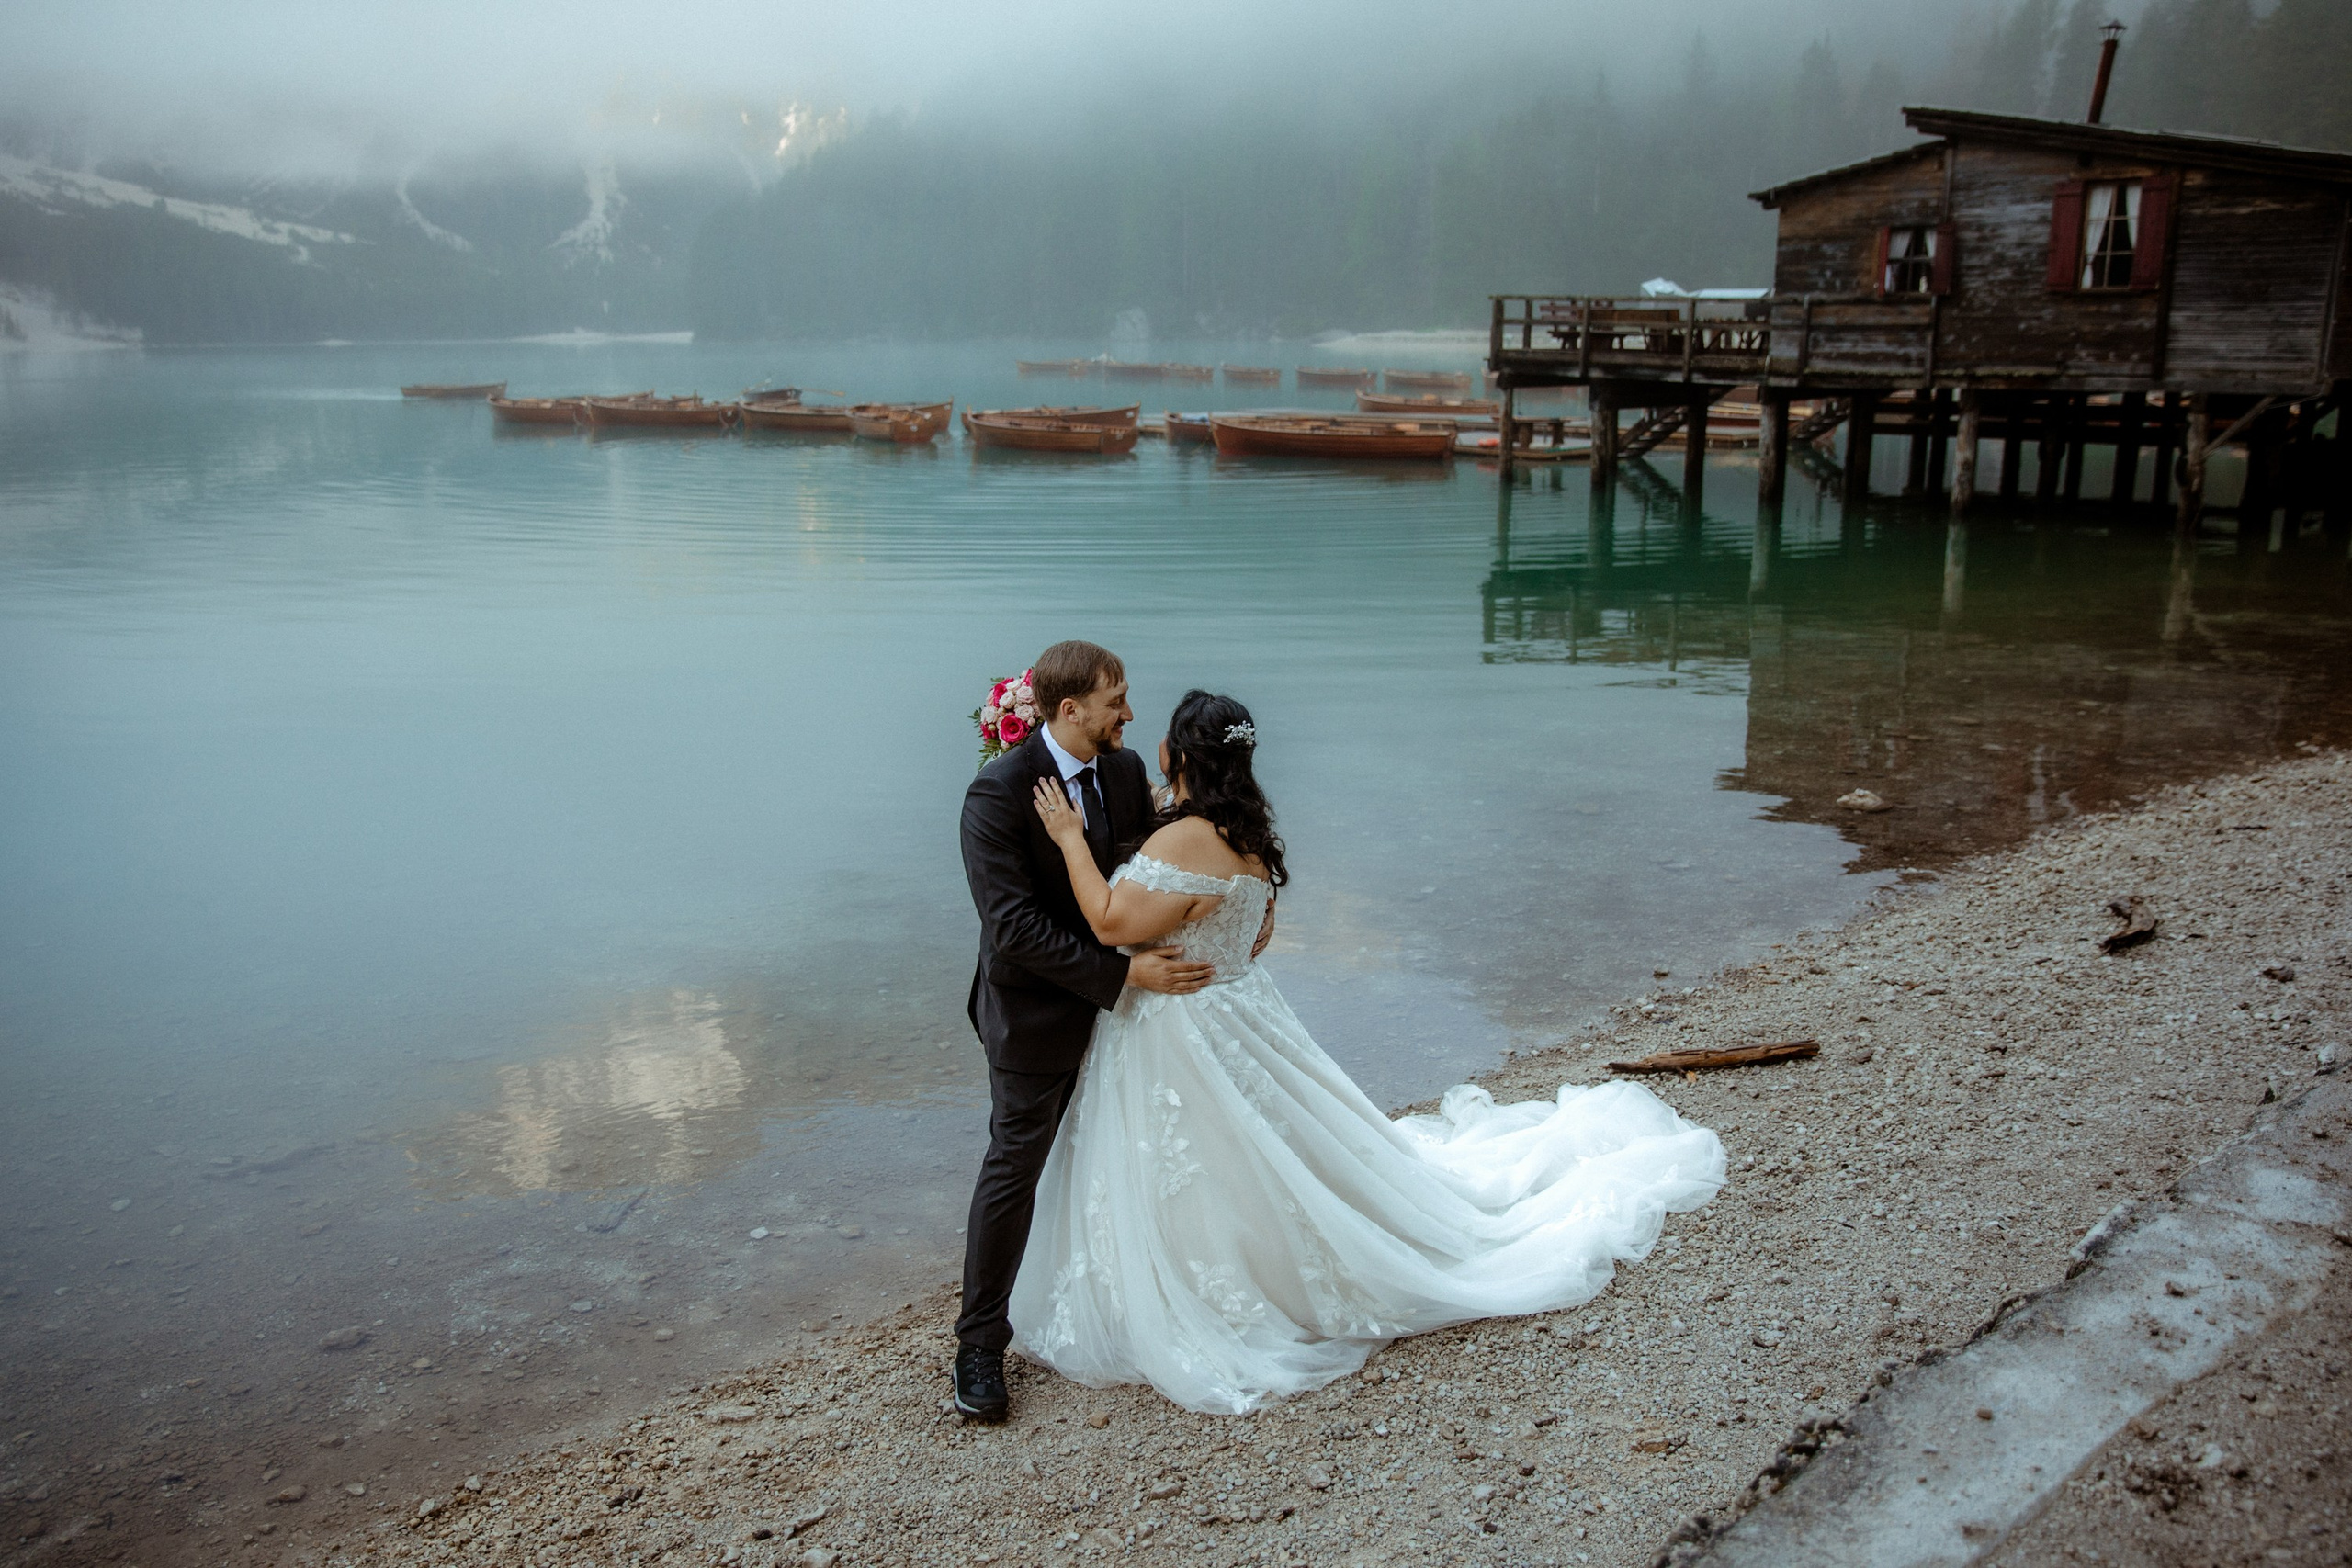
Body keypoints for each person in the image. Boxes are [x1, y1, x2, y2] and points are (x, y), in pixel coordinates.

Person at [1007, 688, 1724, 1415]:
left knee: (1208, 1164)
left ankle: (1216, 1285)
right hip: (1240, 1011)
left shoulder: (1184, 838)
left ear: (1180, 754)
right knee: (1264, 1154)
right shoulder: (1243, 830)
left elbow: (1106, 922)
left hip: (1184, 1028)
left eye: (1161, 736)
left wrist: (1069, 837)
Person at [954, 641, 1262, 1421]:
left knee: (1133, 1155)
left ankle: (1139, 1294)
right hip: (1039, 1013)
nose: (1129, 713)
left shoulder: (1124, 772)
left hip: (1140, 1018)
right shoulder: (997, 794)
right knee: (1016, 1165)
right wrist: (1123, 976)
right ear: (1070, 711)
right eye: (1116, 700)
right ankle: (979, 1342)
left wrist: (1237, 906)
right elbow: (1013, 928)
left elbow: (1153, 867)